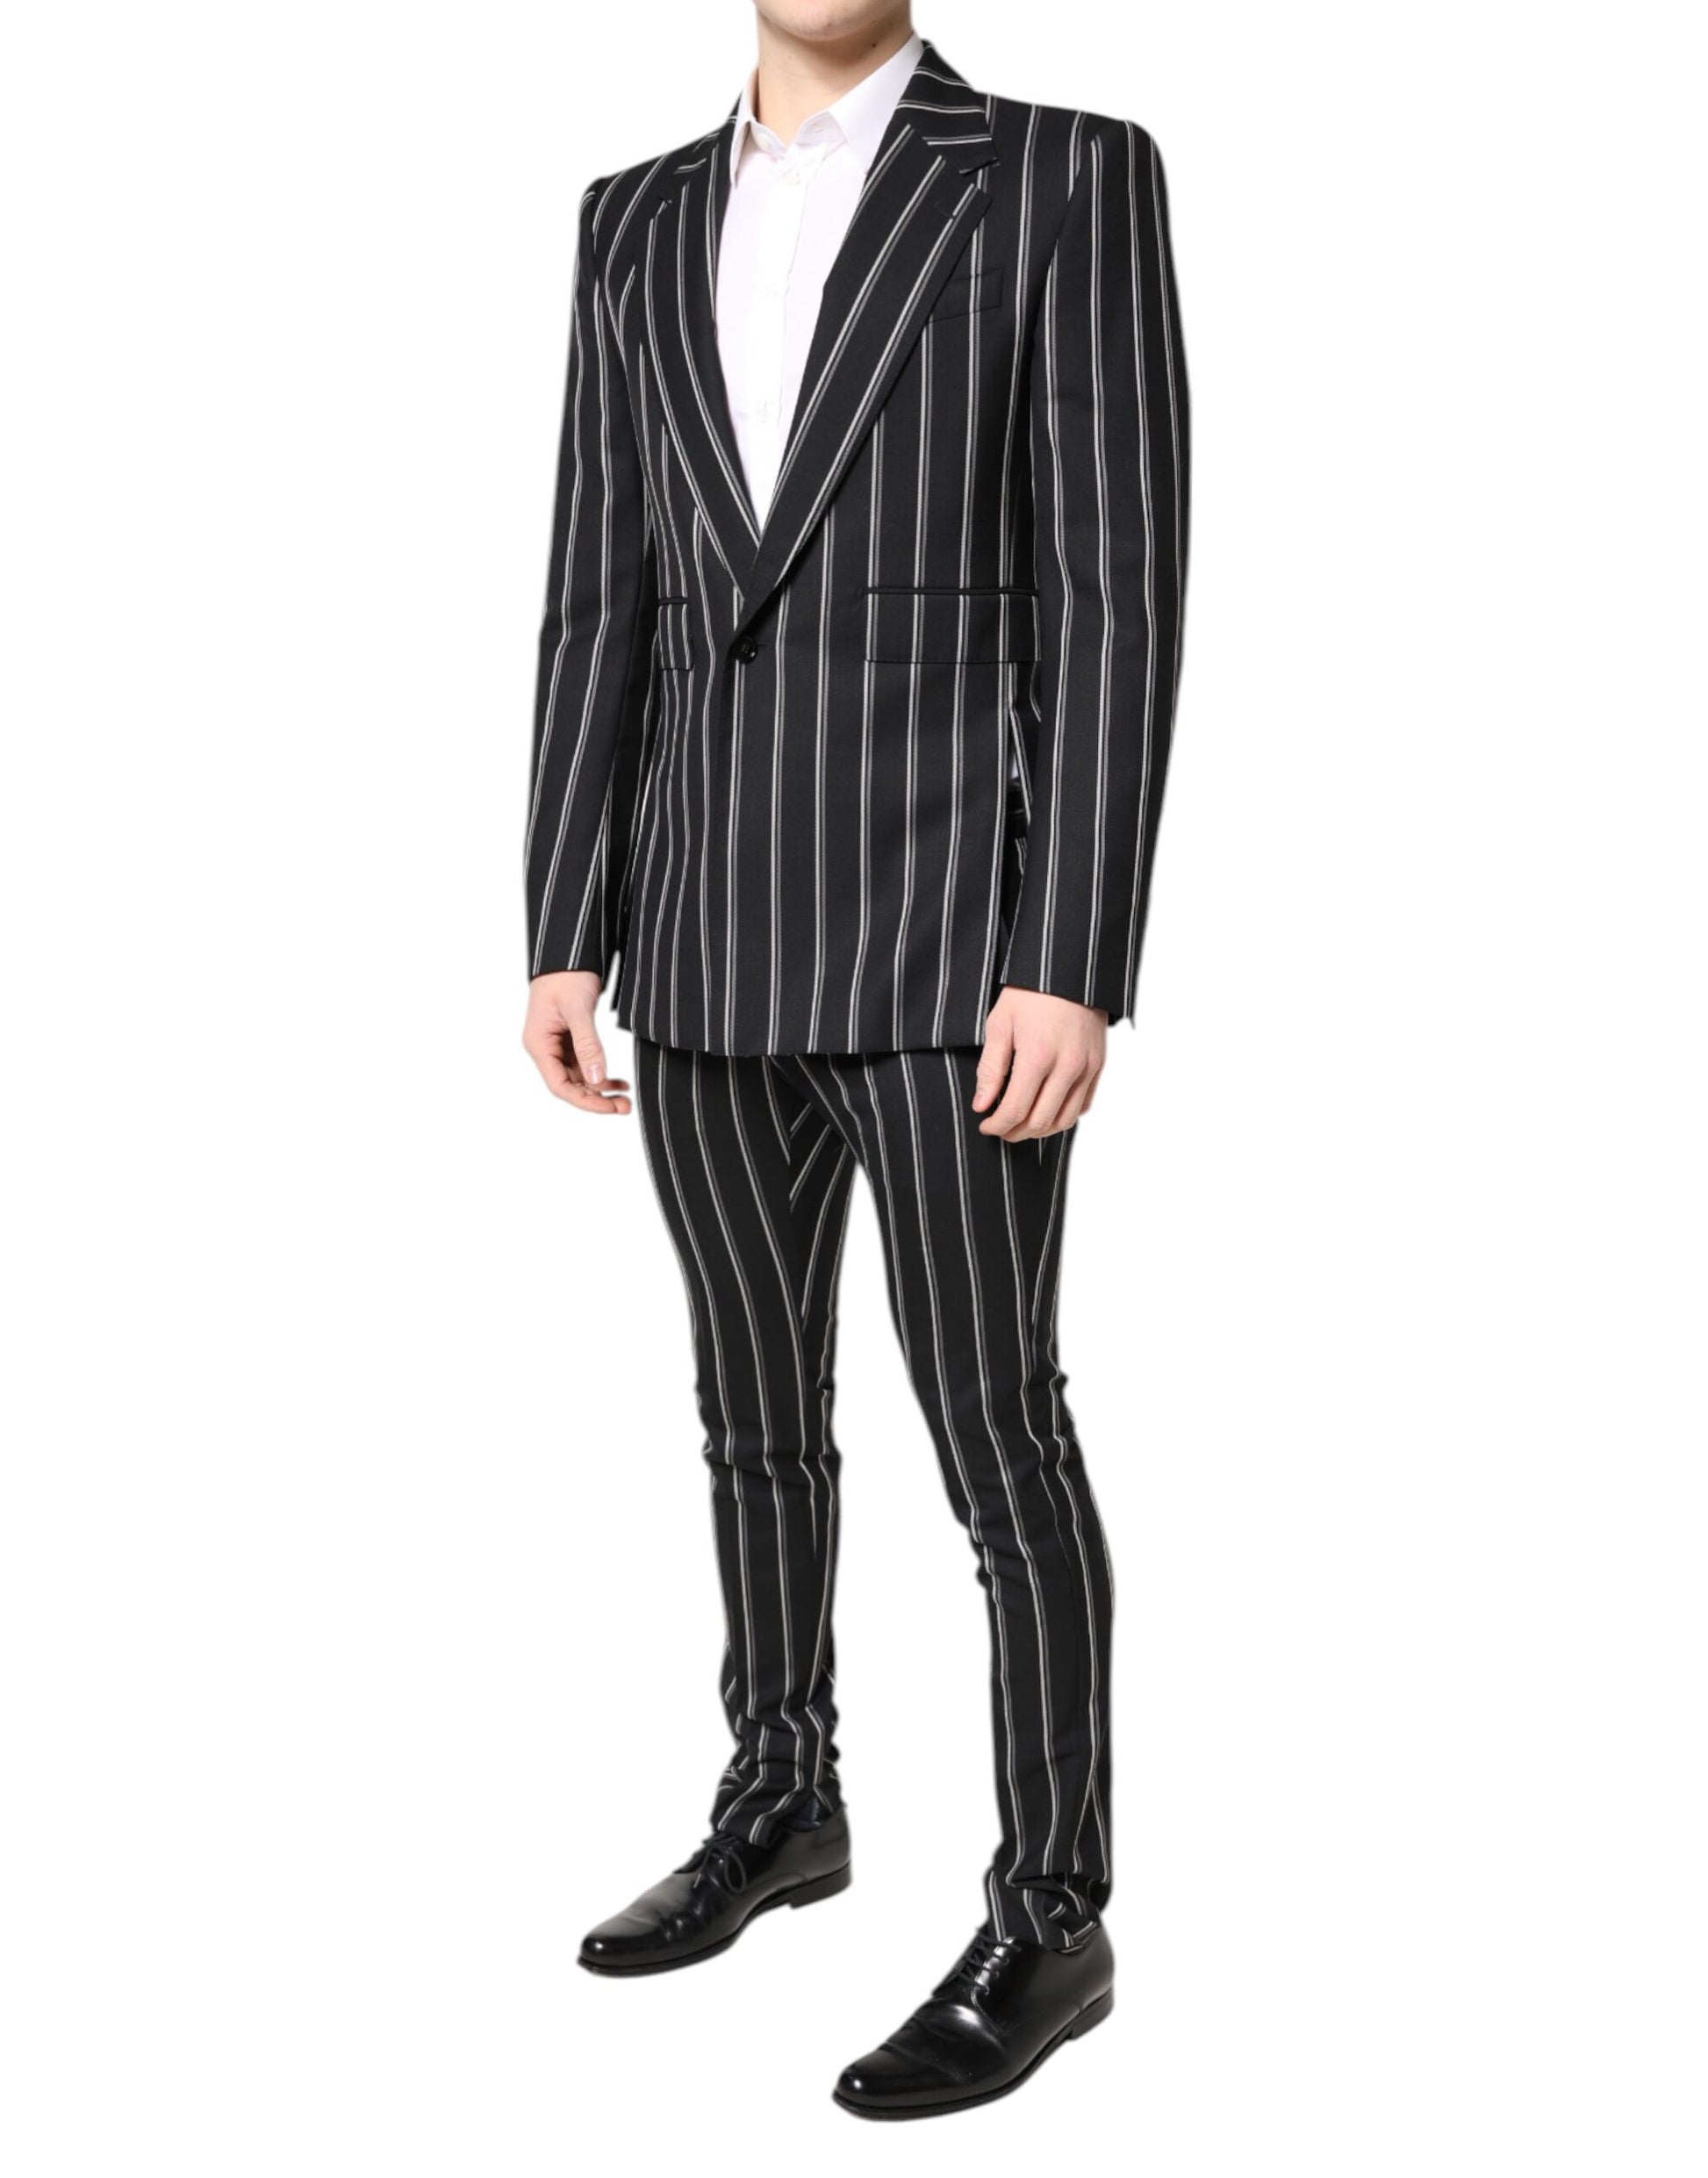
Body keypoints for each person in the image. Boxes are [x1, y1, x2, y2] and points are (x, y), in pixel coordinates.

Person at [521, 0, 1188, 2120]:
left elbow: (1114, 593)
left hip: (949, 943)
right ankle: (781, 1792)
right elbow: (601, 588)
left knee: (997, 1431)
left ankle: (1052, 1909)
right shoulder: (630, 221)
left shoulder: (1064, 175)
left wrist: (1071, 956)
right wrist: (562, 920)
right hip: (701, 929)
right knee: (750, 1412)